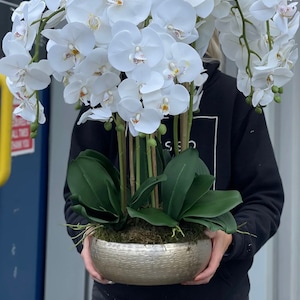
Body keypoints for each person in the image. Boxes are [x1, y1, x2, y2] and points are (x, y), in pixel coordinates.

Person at [64, 40, 284, 299]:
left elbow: (265, 198)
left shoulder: (233, 97)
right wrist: (87, 234)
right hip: (123, 288)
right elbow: (78, 195)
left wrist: (232, 237)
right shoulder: (109, 94)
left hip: (216, 291)